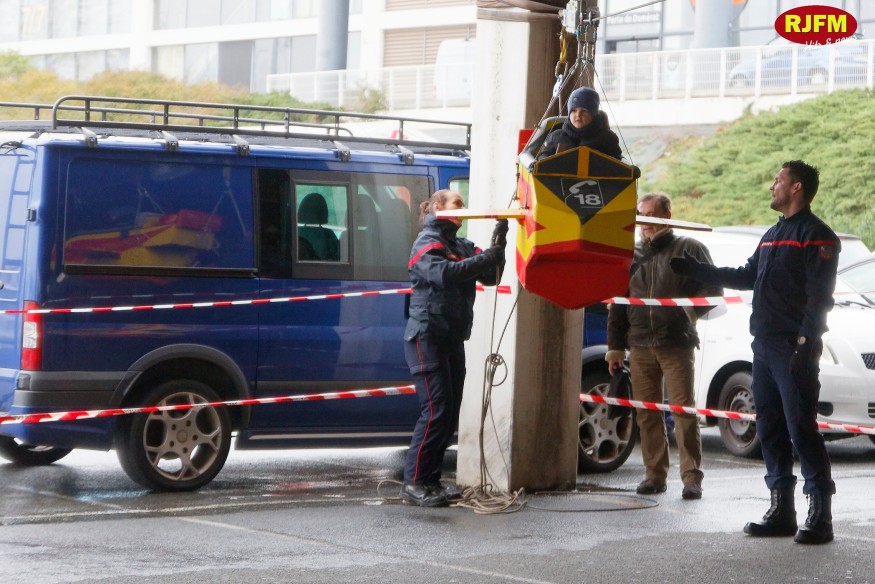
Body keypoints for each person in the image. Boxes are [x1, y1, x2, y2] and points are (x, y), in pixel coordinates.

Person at [671, 160, 840, 544]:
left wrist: (805, 344)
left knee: (801, 428)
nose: (771, 186)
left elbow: (819, 299)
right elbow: (747, 276)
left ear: (796, 188)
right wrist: (700, 271)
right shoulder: (771, 235)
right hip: (762, 346)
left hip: (791, 348)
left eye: (777, 180)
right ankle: (781, 510)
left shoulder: (817, 236)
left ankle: (821, 515)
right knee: (770, 427)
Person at [606, 192, 721, 500]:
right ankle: (654, 476)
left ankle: (691, 478)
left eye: (651, 216)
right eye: (641, 216)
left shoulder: (690, 248)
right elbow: (618, 304)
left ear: (667, 217)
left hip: (677, 345)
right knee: (646, 414)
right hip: (640, 345)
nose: (644, 223)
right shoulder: (631, 255)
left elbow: (714, 288)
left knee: (684, 413)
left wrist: (689, 313)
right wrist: (615, 346)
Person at [401, 189, 507, 507]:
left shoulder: (461, 245)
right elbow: (444, 275)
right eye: (457, 203)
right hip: (427, 335)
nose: (464, 208)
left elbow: (490, 274)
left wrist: (498, 243)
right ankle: (415, 482)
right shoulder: (427, 241)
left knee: (449, 414)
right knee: (435, 410)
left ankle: (431, 481)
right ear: (437, 207)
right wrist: (484, 258)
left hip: (452, 336)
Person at [537, 86, 622, 161]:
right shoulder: (556, 137)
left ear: (594, 114)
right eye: (573, 111)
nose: (578, 115)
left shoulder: (608, 139)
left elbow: (618, 164)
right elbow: (543, 157)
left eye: (584, 111)